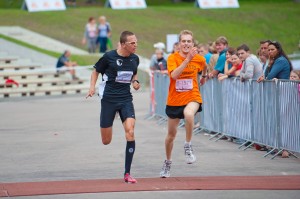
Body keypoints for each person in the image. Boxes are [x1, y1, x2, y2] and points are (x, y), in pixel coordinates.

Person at [86, 31, 140, 183]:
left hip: (125, 99)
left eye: (136, 42)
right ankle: (110, 121)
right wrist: (92, 87)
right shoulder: (109, 57)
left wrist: (135, 82)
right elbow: (95, 71)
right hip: (109, 100)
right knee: (106, 141)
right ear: (123, 44)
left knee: (130, 131)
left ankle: (127, 173)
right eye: (132, 43)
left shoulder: (135, 59)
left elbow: (134, 73)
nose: (136, 45)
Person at [160, 30, 207, 178]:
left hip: (192, 95)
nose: (186, 44)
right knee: (171, 135)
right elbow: (174, 75)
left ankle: (188, 145)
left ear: (192, 43)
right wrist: (187, 60)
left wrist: (204, 76)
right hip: (175, 100)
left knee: (188, 113)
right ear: (179, 44)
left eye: (189, 41)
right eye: (184, 41)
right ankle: (167, 162)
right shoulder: (172, 58)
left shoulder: (198, 58)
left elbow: (204, 66)